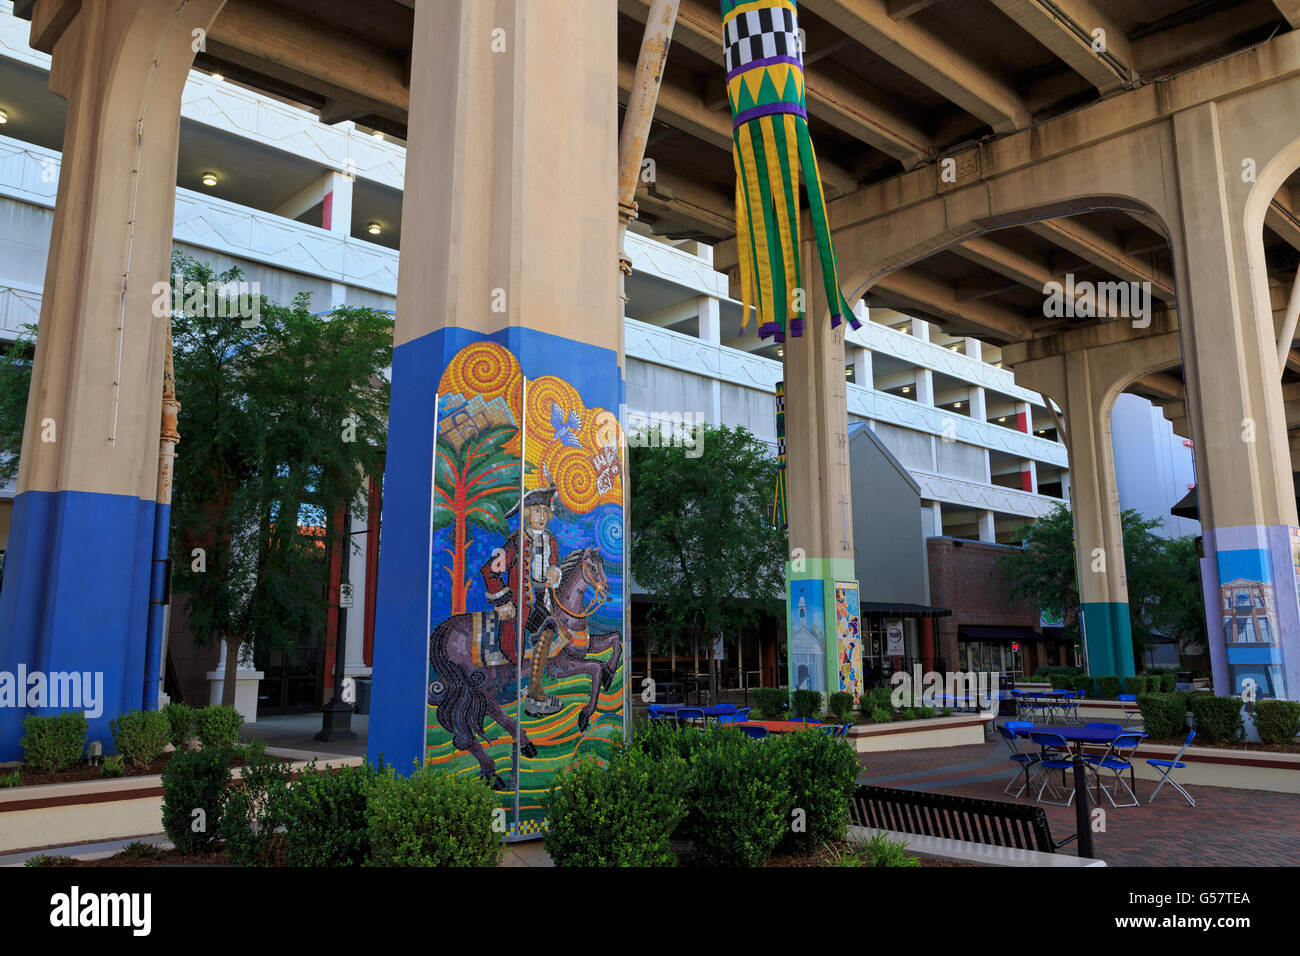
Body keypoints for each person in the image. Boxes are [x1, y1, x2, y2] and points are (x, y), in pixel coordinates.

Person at [480, 486, 564, 717]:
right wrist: (504, 601)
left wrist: (555, 574)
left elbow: (554, 566)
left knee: (552, 628)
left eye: (544, 512)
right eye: (536, 511)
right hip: (521, 606)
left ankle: (534, 690)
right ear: (527, 514)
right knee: (545, 628)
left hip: (543, 600)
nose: (540, 517)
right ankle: (533, 693)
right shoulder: (517, 543)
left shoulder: (551, 540)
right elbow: (489, 571)